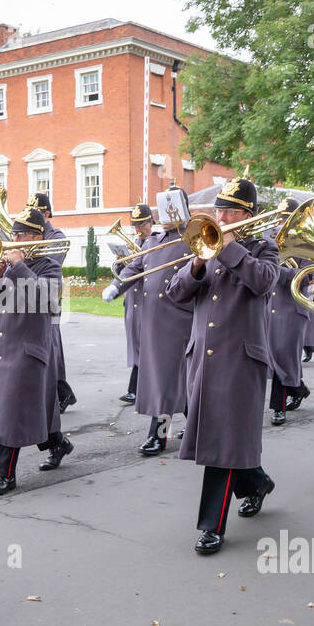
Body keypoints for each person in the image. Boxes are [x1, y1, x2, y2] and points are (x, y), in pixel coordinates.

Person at [168, 177, 279, 553]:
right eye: (219, 209)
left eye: (230, 210)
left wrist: (229, 247)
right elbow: (176, 294)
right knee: (222, 437)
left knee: (225, 440)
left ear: (247, 215)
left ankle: (211, 526)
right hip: (204, 357)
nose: (221, 216)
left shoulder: (265, 248)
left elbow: (263, 283)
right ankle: (256, 482)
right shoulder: (206, 244)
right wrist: (198, 262)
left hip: (241, 360)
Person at [0, 205, 73, 496]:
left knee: (11, 410)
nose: (14, 239)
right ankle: (58, 443)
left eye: (19, 234)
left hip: (29, 349)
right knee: (30, 408)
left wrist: (20, 266)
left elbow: (48, 301)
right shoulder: (7, 266)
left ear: (35, 236)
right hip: (6, 347)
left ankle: (4, 476)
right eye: (14, 233)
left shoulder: (48, 267)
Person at [131, 186, 194, 455]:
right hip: (154, 322)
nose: (164, 215)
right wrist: (115, 285)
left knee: (171, 382)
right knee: (165, 381)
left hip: (179, 320)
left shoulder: (191, 239)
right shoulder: (154, 241)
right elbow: (135, 267)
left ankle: (160, 436)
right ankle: (196, 426)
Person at [26, 192, 76, 413]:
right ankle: (63, 394)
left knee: (51, 345)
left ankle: (61, 394)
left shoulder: (57, 236)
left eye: (35, 211)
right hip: (27, 296)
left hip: (50, 295)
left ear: (46, 213)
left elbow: (49, 262)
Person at [102, 203, 155, 403]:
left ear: (151, 222)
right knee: (137, 345)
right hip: (132, 299)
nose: (138, 229)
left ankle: (137, 389)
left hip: (146, 300)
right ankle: (136, 388)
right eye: (135, 226)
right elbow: (129, 270)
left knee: (145, 346)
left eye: (141, 225)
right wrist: (121, 262)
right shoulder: (136, 242)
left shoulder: (157, 242)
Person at [267, 197, 312, 426]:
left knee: (283, 356)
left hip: (292, 307)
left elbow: (307, 277)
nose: (284, 223)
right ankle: (298, 387)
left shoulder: (307, 242)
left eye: (289, 218)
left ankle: (278, 407)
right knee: (273, 357)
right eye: (282, 218)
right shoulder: (269, 238)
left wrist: (278, 270)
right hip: (268, 306)